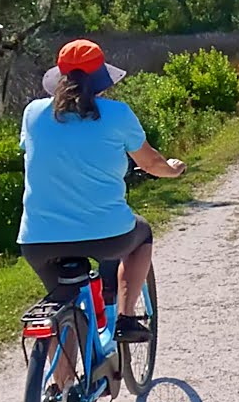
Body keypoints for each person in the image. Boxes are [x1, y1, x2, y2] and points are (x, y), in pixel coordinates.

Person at [18, 39, 186, 344]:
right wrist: (173, 168)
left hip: (38, 240)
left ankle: (59, 385)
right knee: (142, 234)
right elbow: (150, 163)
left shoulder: (32, 113)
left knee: (61, 304)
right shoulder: (117, 114)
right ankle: (125, 317)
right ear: (100, 78)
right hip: (108, 236)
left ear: (60, 76)